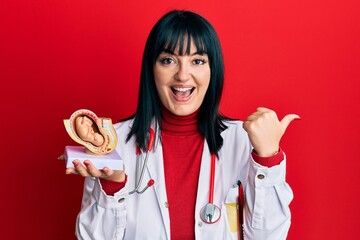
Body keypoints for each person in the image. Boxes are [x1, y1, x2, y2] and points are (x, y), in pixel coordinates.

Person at [65, 10, 299, 239]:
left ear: (212, 70)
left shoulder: (244, 141)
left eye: (197, 61)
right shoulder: (113, 145)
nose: (183, 75)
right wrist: (112, 187)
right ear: (152, 69)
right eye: (168, 60)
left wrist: (268, 159)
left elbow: (269, 236)